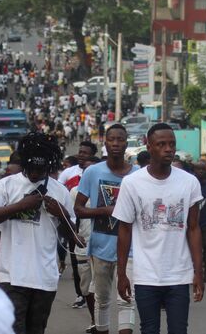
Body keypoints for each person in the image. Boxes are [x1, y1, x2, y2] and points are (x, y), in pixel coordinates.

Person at [0, 132, 84, 334]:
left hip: (44, 277)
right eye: (31, 168)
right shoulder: (6, 186)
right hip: (12, 276)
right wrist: (20, 205)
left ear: (49, 167)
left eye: (41, 169)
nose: (35, 174)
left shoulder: (59, 190)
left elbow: (72, 237)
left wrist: (61, 214)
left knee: (36, 330)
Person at [115, 123, 204, 334]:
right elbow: (124, 230)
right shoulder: (132, 183)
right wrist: (122, 274)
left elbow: (193, 229)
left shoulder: (189, 182)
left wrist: (197, 272)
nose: (168, 149)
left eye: (172, 144)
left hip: (179, 275)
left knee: (178, 330)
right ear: (149, 146)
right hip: (145, 274)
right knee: (149, 329)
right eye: (161, 144)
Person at [75, 124, 139, 334]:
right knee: (102, 300)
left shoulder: (138, 174)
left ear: (126, 142)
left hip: (131, 249)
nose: (116, 144)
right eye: (112, 139)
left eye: (120, 139)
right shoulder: (92, 172)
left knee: (127, 300)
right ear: (105, 142)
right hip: (101, 248)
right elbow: (79, 209)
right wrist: (105, 210)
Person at [71, 156, 99, 333]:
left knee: (100, 288)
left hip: (104, 246)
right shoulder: (74, 192)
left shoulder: (109, 191)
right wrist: (74, 236)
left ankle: (100, 322)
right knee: (86, 288)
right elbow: (70, 219)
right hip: (82, 245)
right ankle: (93, 319)